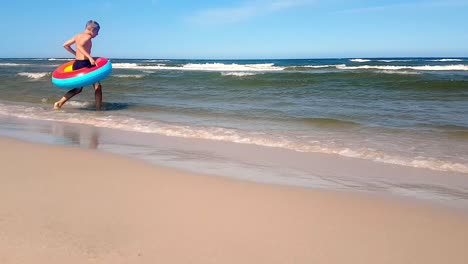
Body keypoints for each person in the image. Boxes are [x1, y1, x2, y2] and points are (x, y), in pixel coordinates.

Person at [54, 20, 103, 110]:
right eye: (97, 32)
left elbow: (65, 45)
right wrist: (90, 57)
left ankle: (59, 103)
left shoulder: (78, 35)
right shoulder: (88, 37)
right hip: (85, 64)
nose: (97, 34)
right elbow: (80, 46)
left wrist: (75, 54)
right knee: (97, 86)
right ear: (93, 30)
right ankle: (98, 109)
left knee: (78, 89)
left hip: (77, 63)